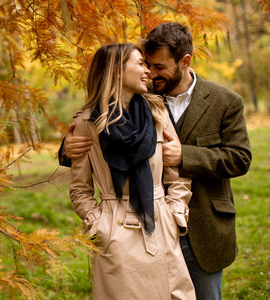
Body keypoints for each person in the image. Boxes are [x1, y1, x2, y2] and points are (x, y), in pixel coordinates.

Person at [61, 23, 252, 300]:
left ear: (184, 62)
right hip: (127, 229)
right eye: (146, 64)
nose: (151, 73)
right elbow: (94, 130)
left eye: (159, 67)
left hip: (199, 224)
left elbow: (240, 158)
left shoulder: (224, 101)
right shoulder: (145, 96)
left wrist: (185, 159)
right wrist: (67, 148)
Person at [69, 43, 195, 299]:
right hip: (115, 231)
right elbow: (80, 188)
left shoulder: (157, 111)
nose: (148, 71)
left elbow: (176, 171)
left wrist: (175, 213)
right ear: (117, 71)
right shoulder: (86, 122)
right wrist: (98, 224)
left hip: (160, 224)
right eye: (140, 64)